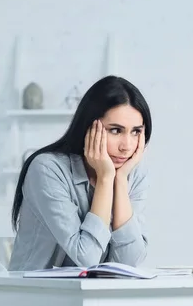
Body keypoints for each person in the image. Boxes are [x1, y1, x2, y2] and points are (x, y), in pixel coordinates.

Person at [8, 75, 152, 271]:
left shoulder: (131, 175)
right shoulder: (47, 169)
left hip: (94, 297)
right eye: (116, 131)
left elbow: (129, 264)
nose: (126, 146)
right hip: (36, 295)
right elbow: (87, 260)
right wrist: (105, 179)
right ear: (88, 128)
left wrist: (119, 182)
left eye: (135, 132)